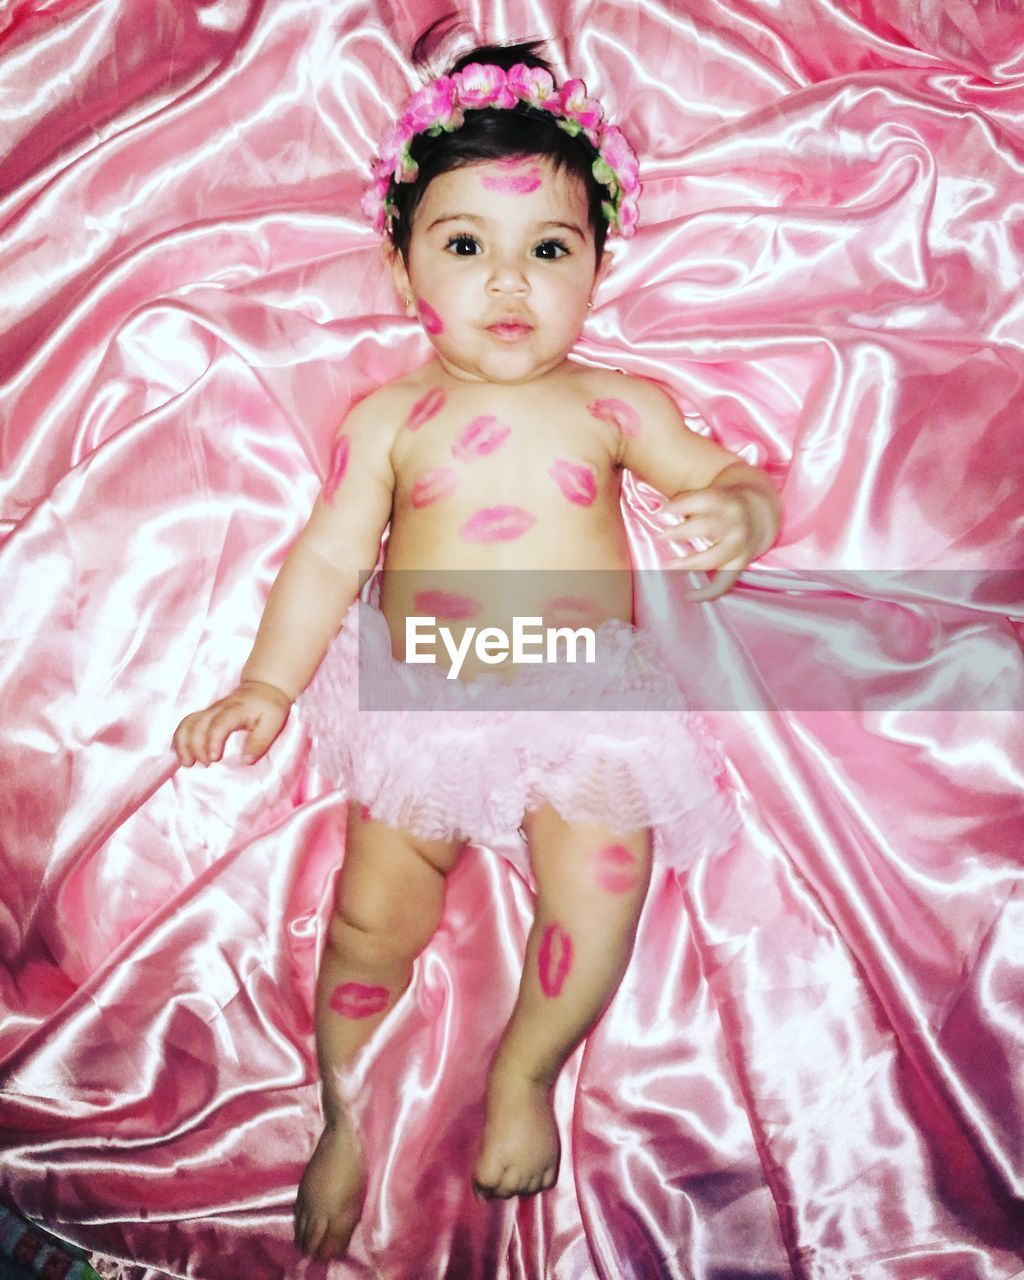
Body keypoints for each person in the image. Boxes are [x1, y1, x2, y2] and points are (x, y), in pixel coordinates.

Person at [172, 37, 780, 1262]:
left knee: (604, 884)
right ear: (403, 269)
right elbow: (328, 558)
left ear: (598, 265)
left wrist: (738, 509)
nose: (510, 282)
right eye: (465, 246)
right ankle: (340, 1108)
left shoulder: (615, 405)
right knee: (370, 916)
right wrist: (266, 681)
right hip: (425, 701)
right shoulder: (391, 418)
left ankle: (527, 1066)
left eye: (548, 249)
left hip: (586, 697)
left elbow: (720, 472)